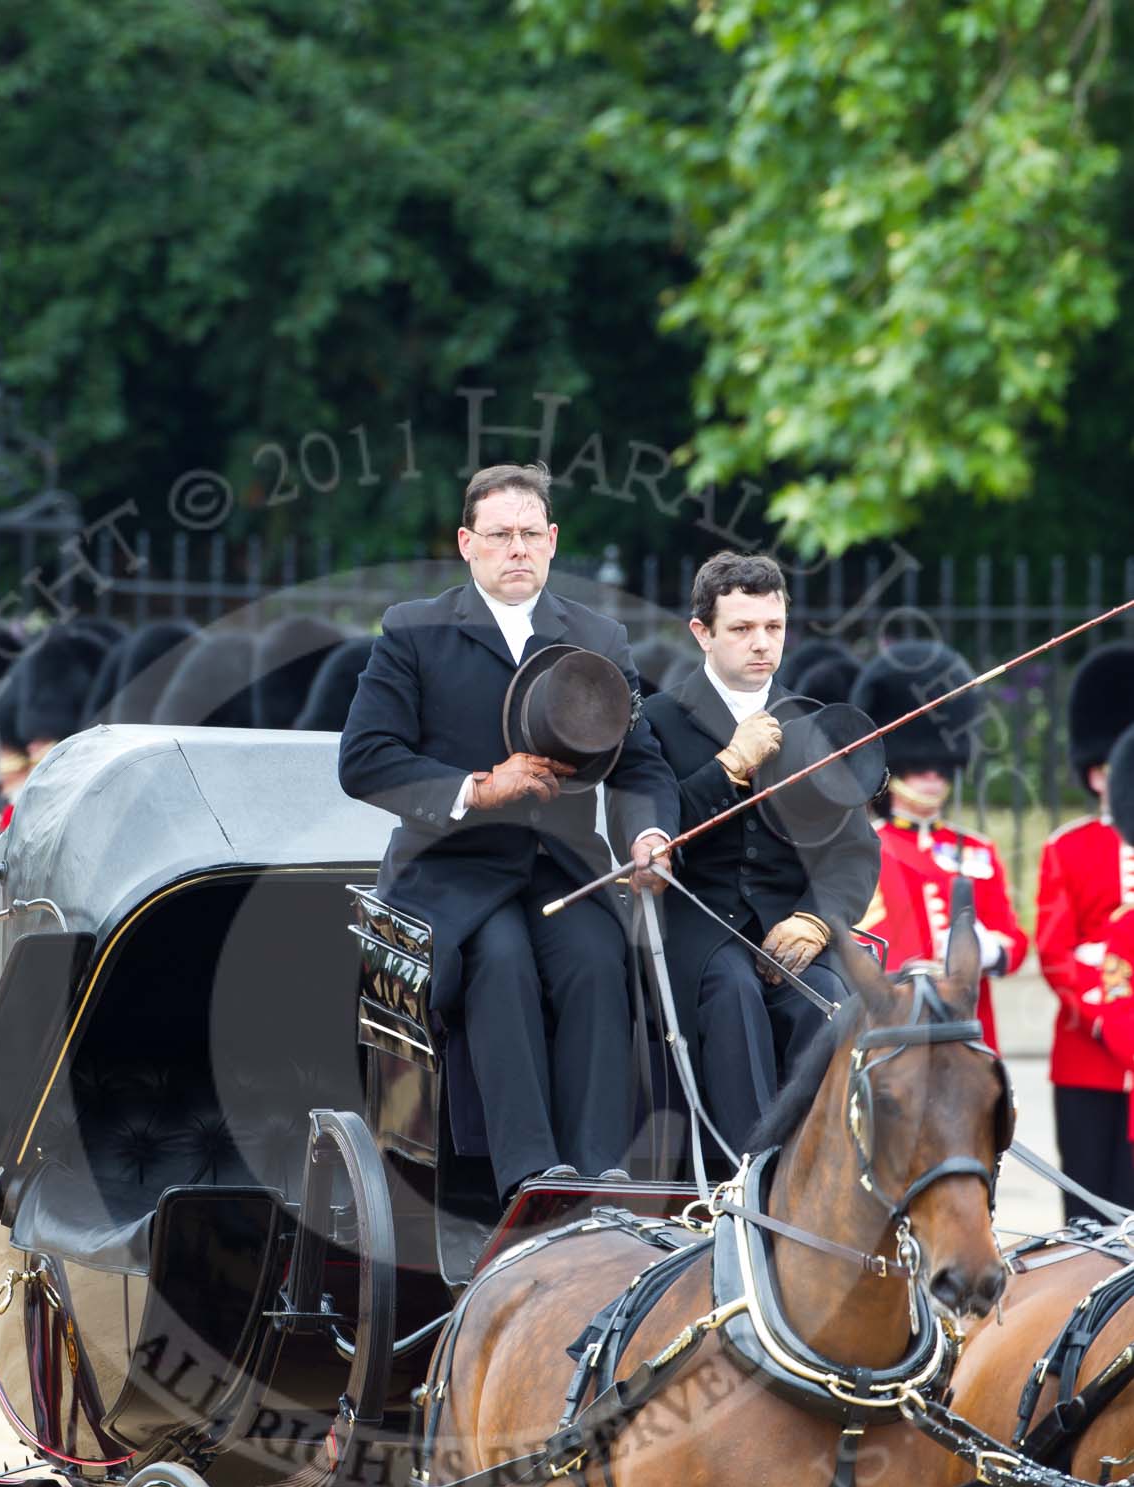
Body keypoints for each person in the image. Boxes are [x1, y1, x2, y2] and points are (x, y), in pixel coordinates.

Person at [339, 461, 680, 1202]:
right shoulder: (412, 630)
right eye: (499, 536)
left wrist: (646, 838)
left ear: (553, 540)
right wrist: (477, 787)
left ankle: (600, 1172)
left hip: (561, 867)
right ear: (467, 543)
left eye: (530, 534)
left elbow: (640, 767)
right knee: (501, 959)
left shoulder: (598, 638)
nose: (516, 548)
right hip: (449, 871)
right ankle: (528, 1175)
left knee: (596, 957)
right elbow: (364, 761)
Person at [638, 551, 879, 1159]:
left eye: (772, 628)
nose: (761, 644)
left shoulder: (813, 723)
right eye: (742, 629)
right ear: (703, 632)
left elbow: (855, 853)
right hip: (698, 928)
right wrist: (730, 765)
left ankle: (828, 1174)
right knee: (733, 999)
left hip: (788, 924)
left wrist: (815, 918)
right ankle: (746, 1173)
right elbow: (654, 828)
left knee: (831, 1007)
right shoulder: (659, 720)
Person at [854, 640, 1027, 1052]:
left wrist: (988, 950)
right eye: (917, 766)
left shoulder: (977, 851)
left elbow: (1013, 940)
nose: (932, 776)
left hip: (968, 1030)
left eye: (941, 766)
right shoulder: (865, 848)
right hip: (896, 1029)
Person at [1037, 643, 1134, 1217]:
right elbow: (1055, 951)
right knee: (1089, 1208)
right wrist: (1104, 1011)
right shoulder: (1067, 847)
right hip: (1087, 1050)